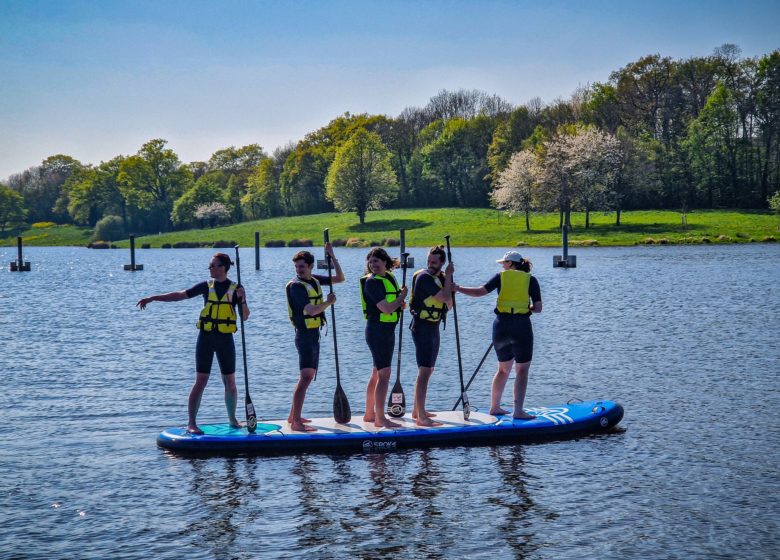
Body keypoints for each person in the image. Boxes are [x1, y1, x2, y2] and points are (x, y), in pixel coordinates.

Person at [136, 252, 250, 434]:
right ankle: (191, 423)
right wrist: (154, 298)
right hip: (206, 338)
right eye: (210, 266)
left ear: (223, 268)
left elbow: (244, 317)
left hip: (225, 339)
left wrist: (242, 299)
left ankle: (232, 419)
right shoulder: (206, 286)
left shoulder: (237, 288)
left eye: (213, 265)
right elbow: (180, 295)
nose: (210, 268)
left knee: (230, 382)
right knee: (200, 381)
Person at [454, 251, 542, 420]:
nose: (502, 265)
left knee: (502, 369)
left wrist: (457, 288)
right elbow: (538, 308)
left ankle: (494, 407)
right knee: (522, 370)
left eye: (504, 262)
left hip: (500, 326)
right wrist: (526, 307)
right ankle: (518, 411)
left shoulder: (500, 277)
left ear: (511, 263)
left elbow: (480, 292)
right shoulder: (531, 280)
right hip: (521, 326)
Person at [285, 244, 345, 432]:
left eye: (302, 266)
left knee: (306, 377)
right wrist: (328, 302)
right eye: (296, 267)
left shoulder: (314, 280)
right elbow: (310, 311)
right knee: (306, 376)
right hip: (304, 335)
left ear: (310, 266)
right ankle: (296, 422)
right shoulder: (296, 287)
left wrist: (333, 257)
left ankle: (292, 416)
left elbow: (340, 279)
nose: (299, 270)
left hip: (314, 334)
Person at [360, 247, 408, 428]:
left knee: (377, 373)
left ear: (385, 263)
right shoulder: (371, 283)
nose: (373, 265)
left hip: (386, 330)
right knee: (384, 374)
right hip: (377, 331)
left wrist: (400, 303)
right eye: (371, 262)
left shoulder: (388, 278)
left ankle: (369, 414)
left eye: (376, 261)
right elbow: (386, 308)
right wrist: (401, 297)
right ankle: (380, 418)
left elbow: (393, 306)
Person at [409, 246, 453, 427]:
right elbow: (443, 297)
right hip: (421, 327)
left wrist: (448, 279)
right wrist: (449, 276)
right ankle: (421, 418)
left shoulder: (442, 278)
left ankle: (416, 410)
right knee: (424, 370)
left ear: (442, 262)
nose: (430, 265)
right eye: (429, 261)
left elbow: (449, 305)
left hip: (434, 326)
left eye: (434, 262)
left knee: (429, 369)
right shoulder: (424, 277)